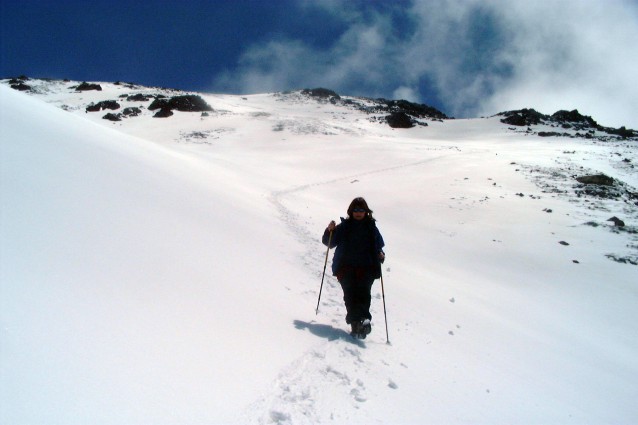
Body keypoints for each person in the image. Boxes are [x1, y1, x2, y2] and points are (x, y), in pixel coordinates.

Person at [322, 197, 385, 338]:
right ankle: (359, 322)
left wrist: (381, 254)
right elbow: (329, 243)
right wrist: (329, 230)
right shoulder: (344, 227)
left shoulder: (371, 228)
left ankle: (360, 321)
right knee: (350, 294)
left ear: (366, 212)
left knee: (363, 294)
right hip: (346, 267)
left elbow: (378, 246)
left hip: (367, 267)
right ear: (351, 211)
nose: (358, 213)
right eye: (355, 210)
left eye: (361, 210)